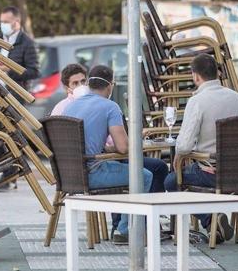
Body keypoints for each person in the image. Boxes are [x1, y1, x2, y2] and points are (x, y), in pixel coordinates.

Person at [63, 65, 168, 245]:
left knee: (134, 172)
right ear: (111, 86)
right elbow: (123, 147)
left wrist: (106, 150)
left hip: (69, 175)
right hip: (93, 173)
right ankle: (125, 230)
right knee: (143, 175)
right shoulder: (110, 106)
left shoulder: (71, 107)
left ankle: (135, 228)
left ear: (88, 84)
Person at [164, 53, 238, 244]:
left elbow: (184, 145)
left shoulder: (197, 101)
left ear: (195, 76)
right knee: (186, 174)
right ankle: (214, 224)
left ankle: (211, 220)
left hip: (211, 172)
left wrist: (179, 154)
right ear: (217, 73)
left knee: (171, 181)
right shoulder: (237, 98)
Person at [0, 6, 40, 191]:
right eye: (1, 21)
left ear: (16, 22)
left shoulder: (26, 43)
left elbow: (34, 71)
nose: (2, 25)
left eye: (6, 22)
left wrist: (9, 70)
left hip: (14, 97)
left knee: (9, 135)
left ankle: (10, 173)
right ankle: (10, 171)